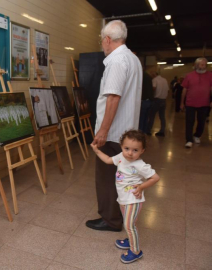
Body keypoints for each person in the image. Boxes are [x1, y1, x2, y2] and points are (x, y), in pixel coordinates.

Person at [85, 20, 142, 232]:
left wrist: (102, 131)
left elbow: (113, 98)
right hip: (126, 133)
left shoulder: (117, 61)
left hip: (113, 135)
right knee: (121, 178)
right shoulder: (133, 59)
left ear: (107, 40)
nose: (102, 45)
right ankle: (121, 216)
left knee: (106, 178)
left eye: (102, 41)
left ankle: (110, 220)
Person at [91, 130, 160, 264]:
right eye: (126, 148)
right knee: (129, 224)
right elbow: (108, 160)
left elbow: (155, 178)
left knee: (129, 225)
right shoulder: (121, 157)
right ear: (121, 146)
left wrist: (141, 187)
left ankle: (135, 251)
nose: (130, 152)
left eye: (135, 150)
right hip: (123, 199)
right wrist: (96, 150)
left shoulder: (140, 165)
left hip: (133, 200)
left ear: (142, 151)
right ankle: (130, 239)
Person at [180, 57, 212, 148]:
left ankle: (197, 135)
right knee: (189, 122)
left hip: (204, 103)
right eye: (202, 64)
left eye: (205, 64)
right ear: (196, 65)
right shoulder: (189, 75)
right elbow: (184, 90)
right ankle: (189, 140)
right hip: (190, 103)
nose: (204, 66)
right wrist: (182, 103)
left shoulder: (210, 75)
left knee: (201, 122)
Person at [146, 72, 169, 136]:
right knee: (162, 117)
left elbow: (154, 88)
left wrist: (150, 94)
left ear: (154, 75)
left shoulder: (154, 80)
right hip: (163, 100)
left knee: (152, 116)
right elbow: (168, 90)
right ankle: (162, 131)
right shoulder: (165, 80)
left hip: (156, 100)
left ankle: (148, 130)